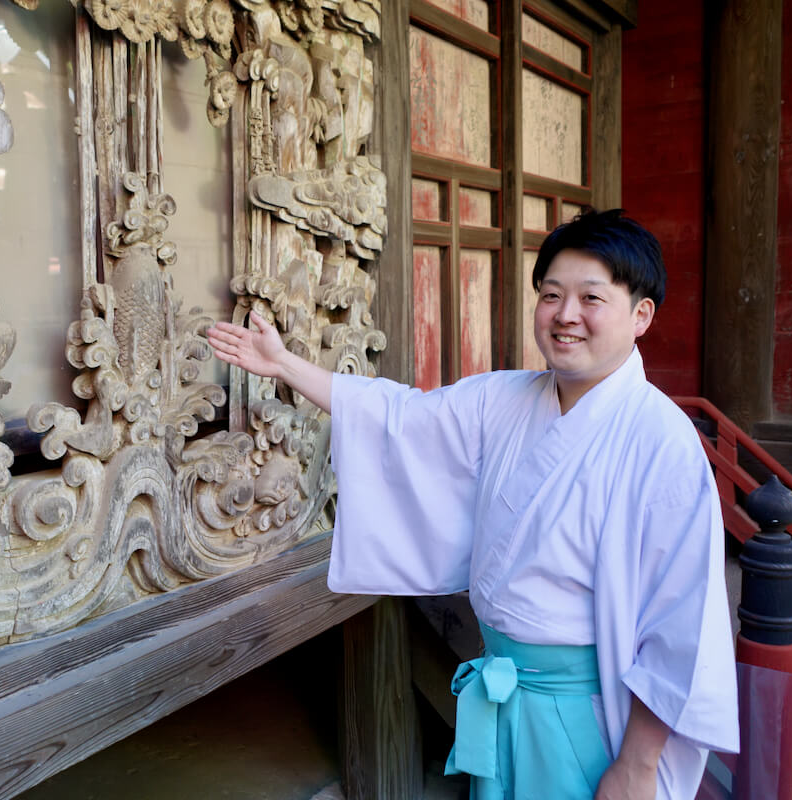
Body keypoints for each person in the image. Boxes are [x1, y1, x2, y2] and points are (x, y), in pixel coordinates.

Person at [207, 209, 739, 800]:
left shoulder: (661, 441)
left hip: (590, 714)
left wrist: (638, 767)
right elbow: (399, 416)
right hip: (501, 686)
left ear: (641, 315)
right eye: (551, 295)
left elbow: (680, 622)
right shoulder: (505, 399)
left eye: (592, 298)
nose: (566, 316)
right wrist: (284, 365)